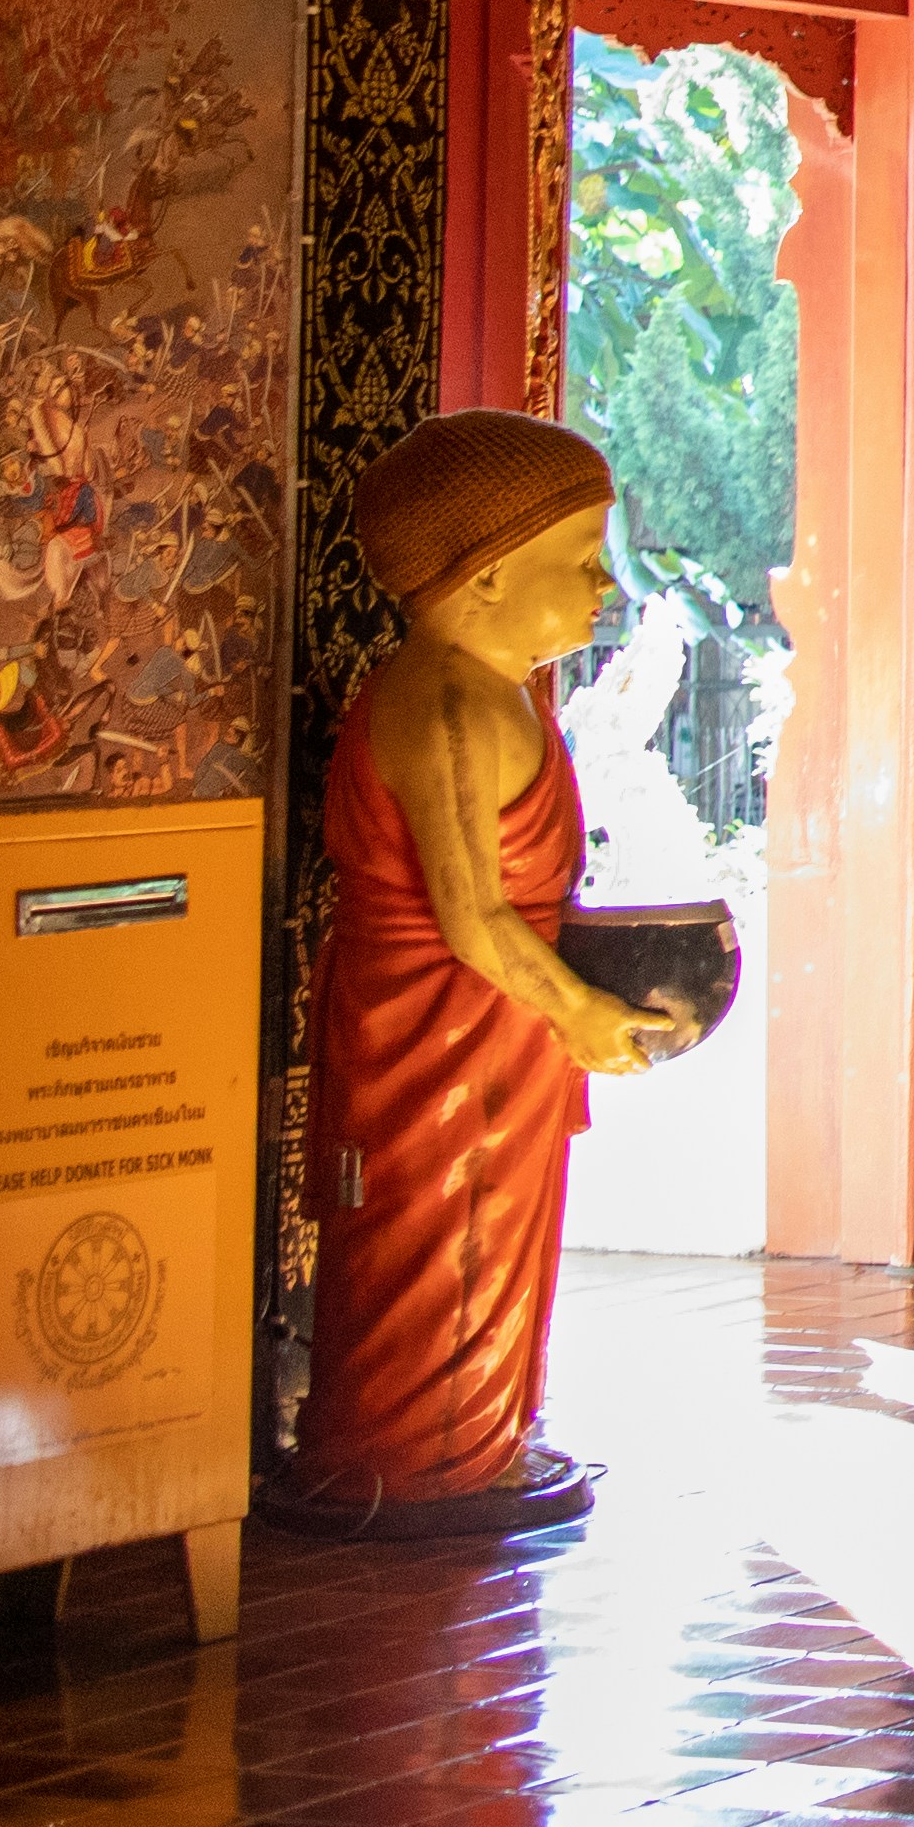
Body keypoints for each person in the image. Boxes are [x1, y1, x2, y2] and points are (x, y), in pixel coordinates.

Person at [270, 411, 693, 1539]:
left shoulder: (508, 690)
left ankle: (481, 1431)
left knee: (500, 1227)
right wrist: (580, 1009)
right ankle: (413, 1451)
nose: (603, 585)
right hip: (441, 1029)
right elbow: (470, 918)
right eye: (578, 561)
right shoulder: (448, 701)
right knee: (436, 1228)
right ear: (490, 574)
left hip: (497, 1025)